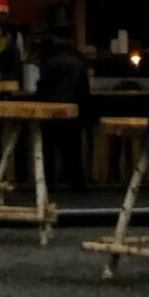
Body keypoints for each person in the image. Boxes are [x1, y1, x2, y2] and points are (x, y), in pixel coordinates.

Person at [36, 30, 92, 193]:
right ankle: (77, 183)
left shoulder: (47, 62)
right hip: (72, 108)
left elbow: (43, 87)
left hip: (50, 109)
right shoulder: (79, 61)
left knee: (49, 150)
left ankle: (49, 183)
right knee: (74, 149)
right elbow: (84, 89)